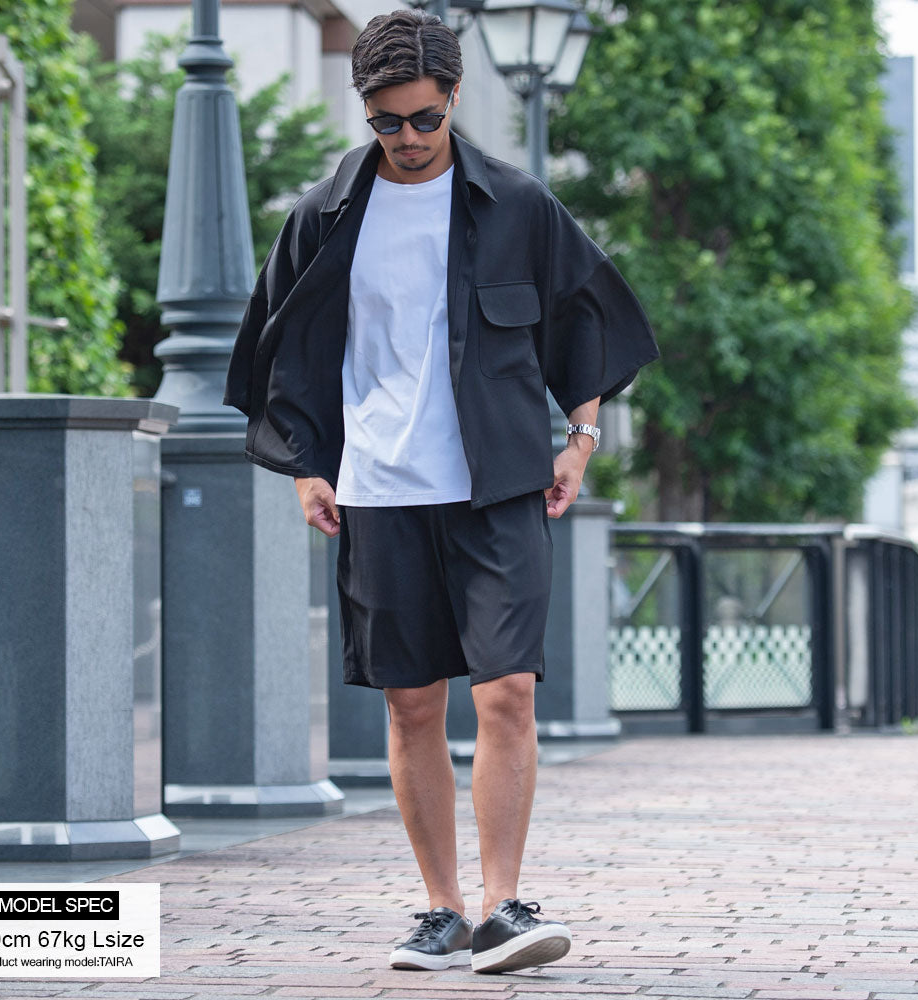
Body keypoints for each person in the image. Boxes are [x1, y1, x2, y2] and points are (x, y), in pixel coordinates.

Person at [224, 8, 658, 974]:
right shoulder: (323, 216)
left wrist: (581, 439)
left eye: (425, 117)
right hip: (377, 489)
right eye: (387, 121)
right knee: (413, 706)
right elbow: (282, 349)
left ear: (454, 98)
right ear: (365, 110)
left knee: (506, 691)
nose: (409, 138)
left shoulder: (519, 206)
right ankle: (442, 910)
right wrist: (308, 465)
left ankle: (503, 906)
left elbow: (585, 321)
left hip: (498, 484)